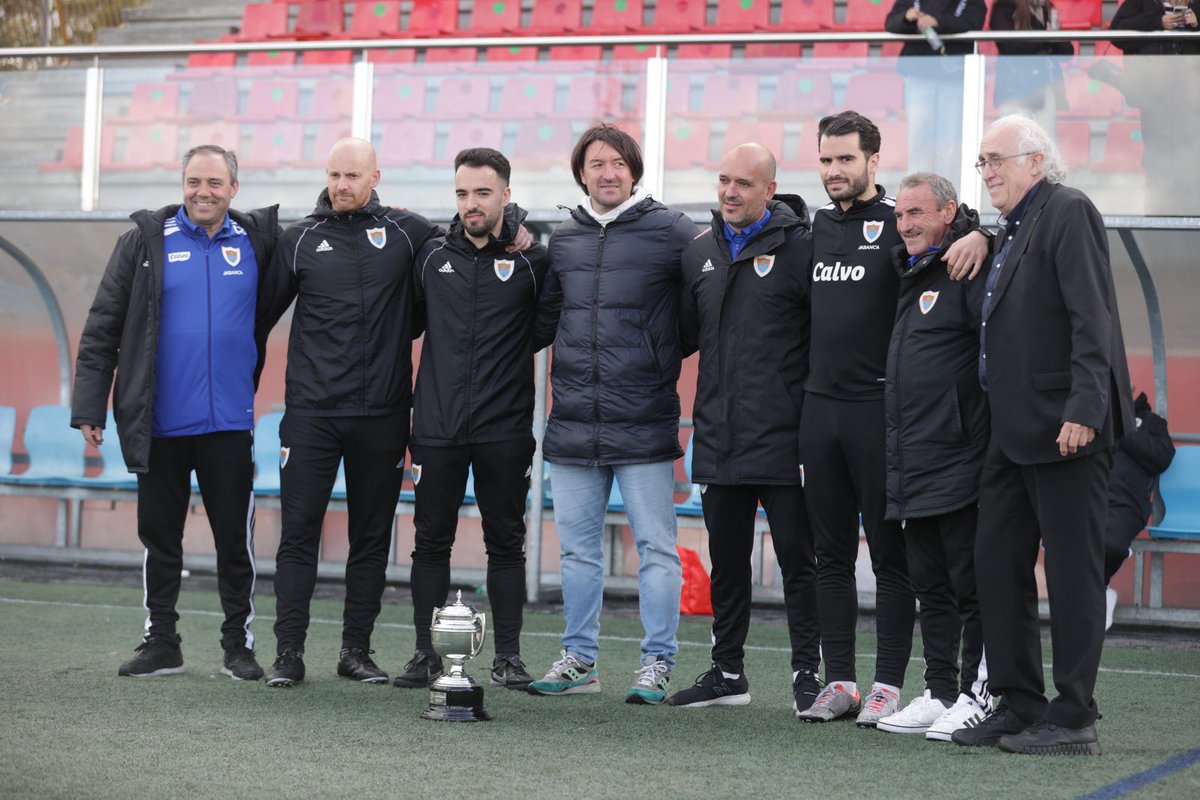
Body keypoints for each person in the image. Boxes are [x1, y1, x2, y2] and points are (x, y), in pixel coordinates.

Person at [796, 111, 990, 726]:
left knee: (890, 556)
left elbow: (948, 229)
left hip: (878, 411)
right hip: (818, 409)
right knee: (829, 553)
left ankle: (887, 685)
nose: (834, 171)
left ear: (873, 162)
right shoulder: (812, 229)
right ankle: (840, 682)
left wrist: (979, 231)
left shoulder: (897, 223)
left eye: (845, 159)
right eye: (826, 160)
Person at [951, 115, 1134, 755]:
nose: (988, 171)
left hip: (1067, 428)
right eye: (981, 162)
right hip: (1012, 430)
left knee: (1073, 573)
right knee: (996, 564)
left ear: (1035, 159)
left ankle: (1074, 716)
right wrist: (978, 230)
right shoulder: (1014, 223)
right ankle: (1020, 703)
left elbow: (1094, 316)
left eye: (996, 159)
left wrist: (1085, 406)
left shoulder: (1068, 209)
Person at [71, 144, 280, 680]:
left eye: (214, 182)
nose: (202, 192)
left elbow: (336, 248)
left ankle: (239, 645)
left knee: (235, 541)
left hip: (230, 425)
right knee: (160, 540)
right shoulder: (143, 242)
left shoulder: (259, 241)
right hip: (159, 424)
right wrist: (89, 405)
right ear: (181, 183)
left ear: (234, 187)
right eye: (193, 181)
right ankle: (161, 641)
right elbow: (102, 329)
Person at [261, 138, 442, 688]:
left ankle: (354, 652)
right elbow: (257, 317)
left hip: (384, 413)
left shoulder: (408, 234)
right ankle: (288, 654)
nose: (341, 185)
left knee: (370, 538)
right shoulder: (300, 240)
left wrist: (519, 226)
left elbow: (469, 237)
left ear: (375, 176)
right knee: (298, 533)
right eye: (334, 174)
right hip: (312, 414)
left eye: (352, 175)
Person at [527, 123, 696, 704]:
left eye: (619, 163)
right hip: (573, 420)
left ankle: (657, 663)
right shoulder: (564, 239)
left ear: (634, 170)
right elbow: (545, 319)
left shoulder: (672, 230)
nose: (608, 173)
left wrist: (658, 355)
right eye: (597, 163)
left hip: (645, 417)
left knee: (656, 548)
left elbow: (696, 313)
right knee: (577, 550)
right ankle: (580, 659)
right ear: (581, 173)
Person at [668, 143, 822, 712]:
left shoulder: (803, 249)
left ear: (769, 191)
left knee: (798, 565)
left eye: (744, 183)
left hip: (786, 439)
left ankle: (809, 674)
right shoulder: (699, 253)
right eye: (724, 180)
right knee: (727, 565)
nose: (730, 192)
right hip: (720, 435)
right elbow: (689, 334)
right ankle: (727, 672)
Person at [392, 148, 549, 692]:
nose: (471, 204)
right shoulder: (431, 255)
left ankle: (508, 657)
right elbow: (412, 320)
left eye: (482, 193)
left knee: (505, 541)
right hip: (436, 426)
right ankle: (425, 655)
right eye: (462, 193)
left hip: (504, 428)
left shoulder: (534, 260)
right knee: (429, 542)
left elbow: (543, 328)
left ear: (507, 194)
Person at [875, 173, 992, 740]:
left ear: (949, 212)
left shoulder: (970, 262)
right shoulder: (909, 270)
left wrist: (984, 234)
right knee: (931, 586)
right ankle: (941, 689)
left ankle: (975, 693)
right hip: (911, 456)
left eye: (918, 213)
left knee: (969, 585)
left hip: (959, 455)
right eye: (901, 216)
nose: (907, 224)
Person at [1107, 0, 1200, 215]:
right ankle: (1157, 218)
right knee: (1157, 160)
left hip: (1194, 101)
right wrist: (1157, 22)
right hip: (1157, 99)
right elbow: (1117, 33)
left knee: (1194, 162)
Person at [885, 0, 988, 179]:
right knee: (919, 136)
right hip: (919, 74)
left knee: (950, 139)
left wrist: (938, 22)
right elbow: (891, 23)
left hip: (954, 76)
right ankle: (917, 192)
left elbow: (974, 22)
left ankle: (947, 192)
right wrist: (906, 18)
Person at [1103, 391, 1175, 629]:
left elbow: (1162, 456)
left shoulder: (1152, 422)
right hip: (1089, 496)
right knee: (1063, 544)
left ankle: (1099, 591)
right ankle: (1098, 594)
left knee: (1111, 544)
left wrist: (1122, 427)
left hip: (1127, 502)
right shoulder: (1090, 411)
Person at [989, 0, 1074, 135]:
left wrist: (1052, 37)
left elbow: (1067, 52)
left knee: (1045, 142)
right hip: (1013, 89)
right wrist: (1047, 39)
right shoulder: (1004, 6)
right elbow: (1009, 47)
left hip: (1043, 87)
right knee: (1013, 142)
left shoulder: (1047, 8)